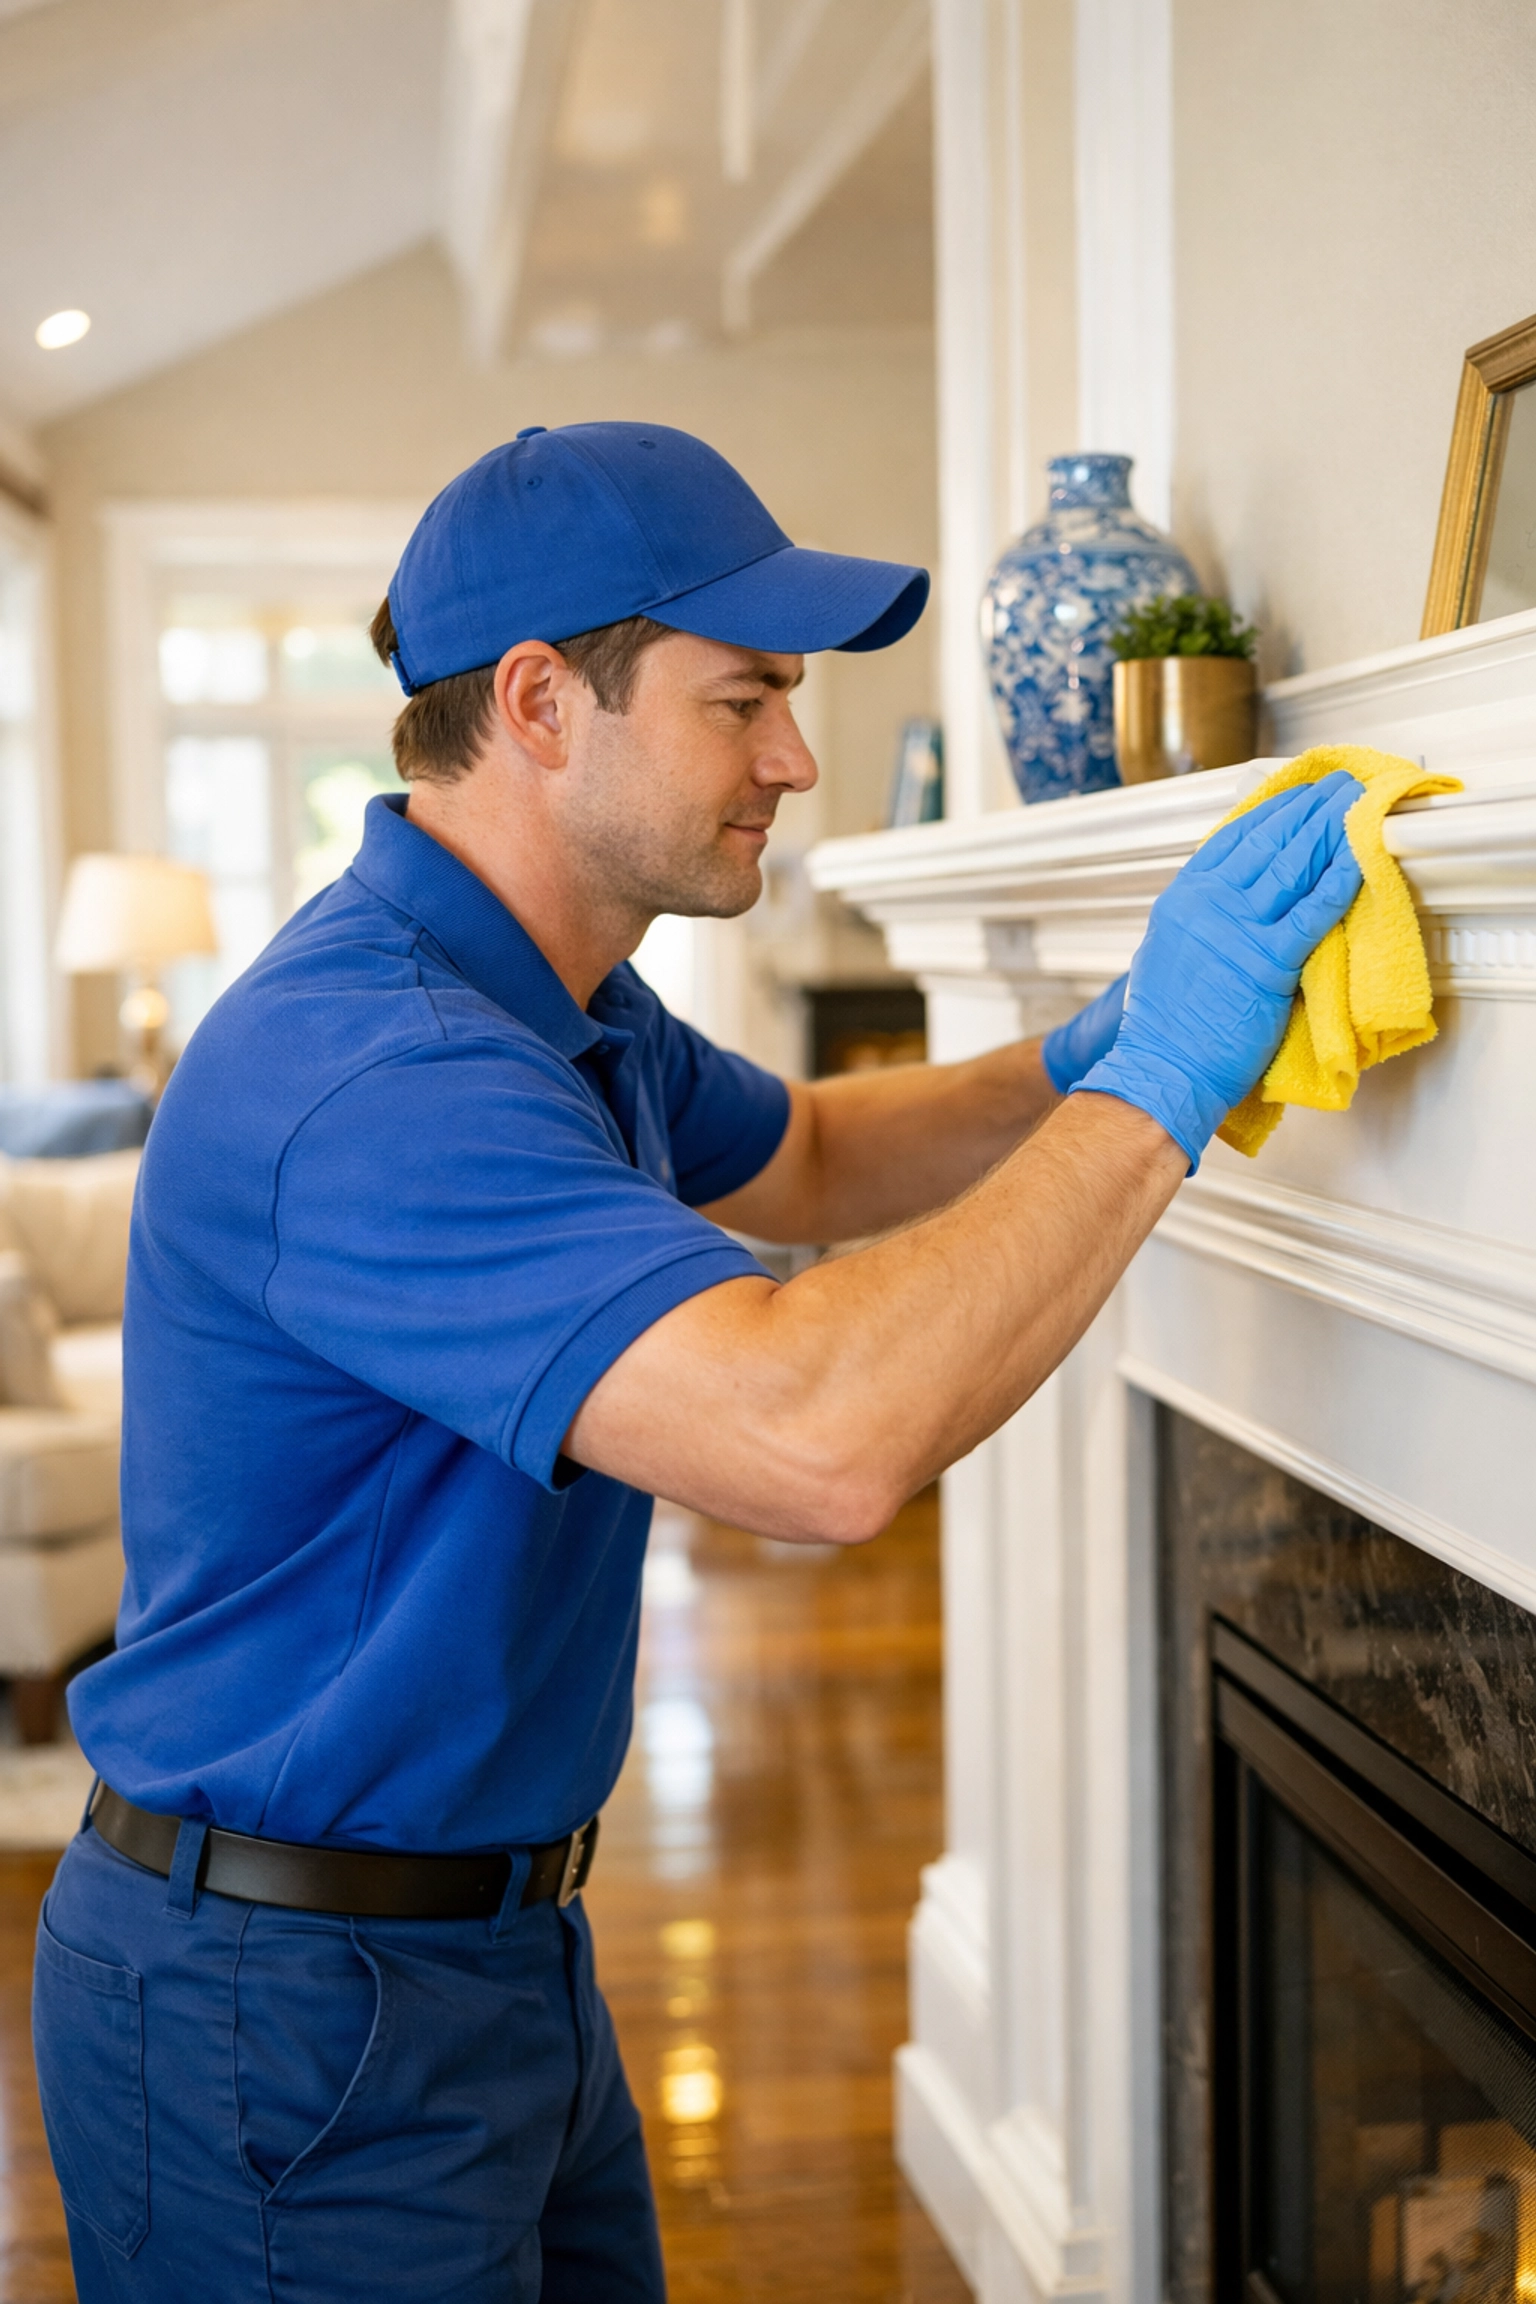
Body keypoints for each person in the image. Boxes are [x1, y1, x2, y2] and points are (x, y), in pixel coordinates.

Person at [32, 423, 1362, 2303]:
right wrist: (1166, 1087)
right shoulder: (379, 1074)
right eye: (745, 699)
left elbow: (809, 1156)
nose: (794, 760)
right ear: (540, 705)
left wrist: (1087, 1046)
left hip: (496, 1957)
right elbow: (816, 1441)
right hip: (285, 2020)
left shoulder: (562, 999)